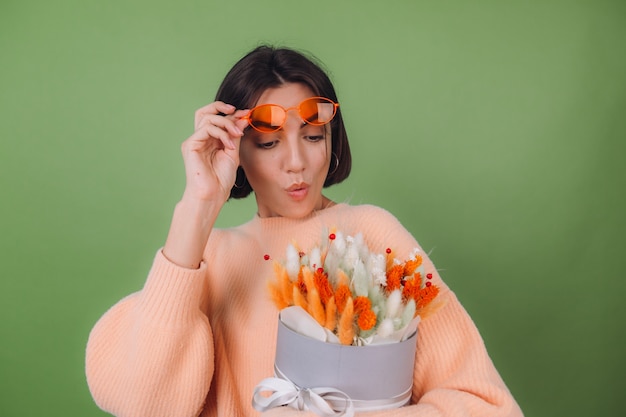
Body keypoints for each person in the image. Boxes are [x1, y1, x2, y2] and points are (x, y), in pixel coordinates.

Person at [86, 45, 524, 417]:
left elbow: (484, 403)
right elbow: (143, 403)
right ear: (235, 151)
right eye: (270, 142)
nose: (296, 162)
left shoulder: (370, 233)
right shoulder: (208, 258)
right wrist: (197, 207)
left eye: (313, 136)